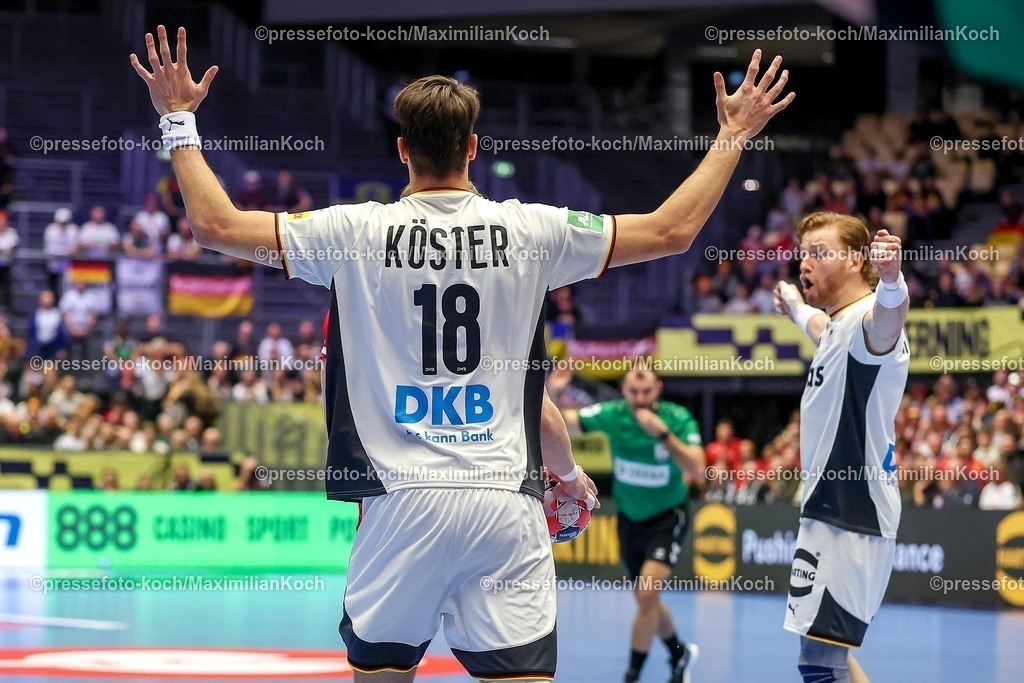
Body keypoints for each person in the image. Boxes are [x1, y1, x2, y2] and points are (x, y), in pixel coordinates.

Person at [130, 26, 791, 681]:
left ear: (401, 150)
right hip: (504, 500)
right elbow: (672, 231)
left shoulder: (354, 231)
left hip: (399, 503)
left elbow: (214, 225)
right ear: (473, 148)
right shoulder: (533, 229)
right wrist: (733, 135)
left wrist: (180, 121)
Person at [774, 212, 910, 683]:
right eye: (803, 253)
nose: (805, 263)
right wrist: (793, 306)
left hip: (852, 513)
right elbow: (818, 328)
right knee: (828, 653)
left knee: (818, 663)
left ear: (856, 261)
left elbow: (888, 322)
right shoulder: (838, 326)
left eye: (819, 253)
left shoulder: (869, 322)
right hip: (831, 513)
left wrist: (893, 281)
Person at [549, 366, 705, 683]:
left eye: (646, 391)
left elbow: (699, 470)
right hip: (629, 519)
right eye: (634, 391)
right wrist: (552, 392)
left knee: (647, 595)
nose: (640, 398)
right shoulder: (613, 414)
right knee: (648, 601)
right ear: (624, 389)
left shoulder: (676, 418)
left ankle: (632, 675)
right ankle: (679, 653)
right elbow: (561, 423)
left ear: (658, 388)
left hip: (667, 515)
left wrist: (662, 434)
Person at [43, 208, 78, 293]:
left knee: (68, 286)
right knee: (52, 286)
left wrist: (71, 250)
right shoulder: (50, 230)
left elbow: (75, 248)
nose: (63, 224)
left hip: (68, 263)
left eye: (65, 222)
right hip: (54, 262)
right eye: (61, 222)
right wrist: (65, 250)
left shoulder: (73, 230)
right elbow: (49, 248)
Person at [0, 211, 18, 311]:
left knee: (7, 288)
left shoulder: (11, 232)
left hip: (6, 265)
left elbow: (12, 248)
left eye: (3, 223)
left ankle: (7, 309)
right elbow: (5, 249)